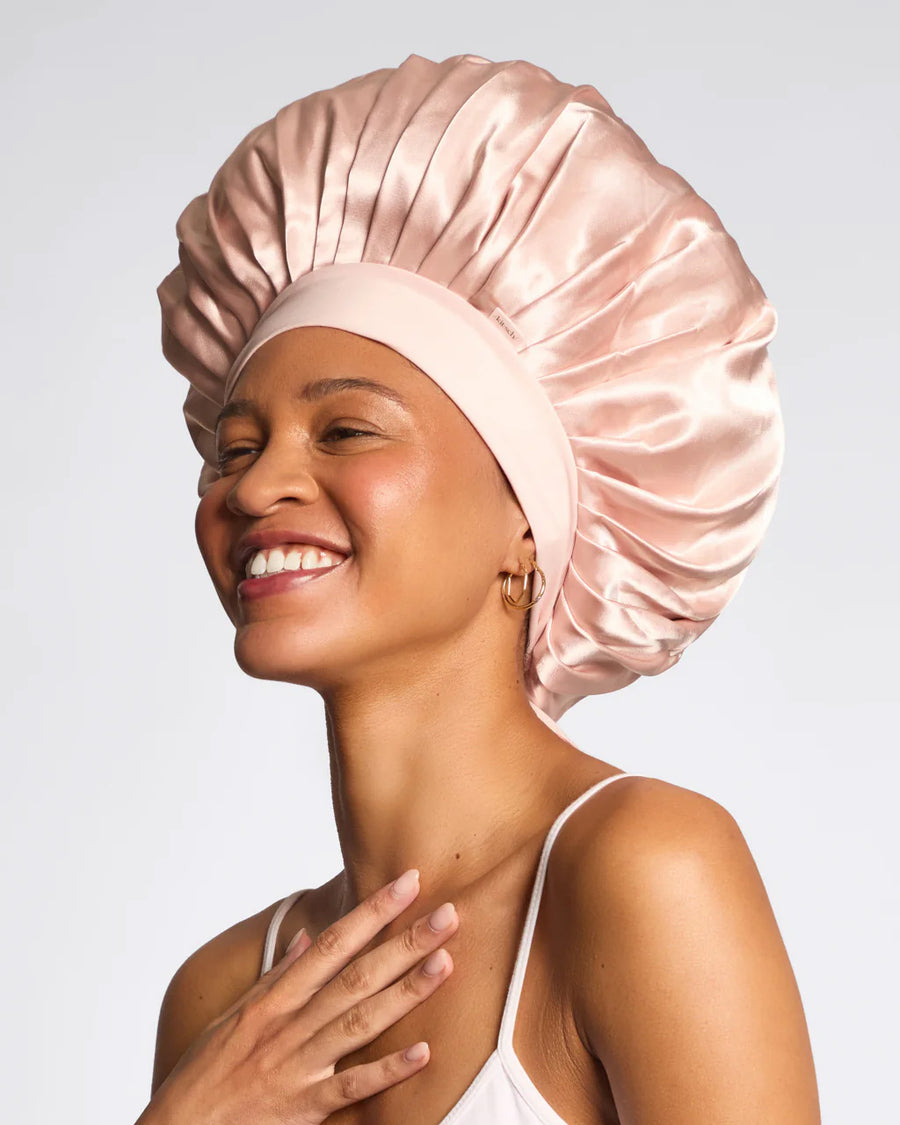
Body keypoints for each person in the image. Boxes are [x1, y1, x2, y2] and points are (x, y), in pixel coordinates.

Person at [141, 53, 821, 1123]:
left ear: (525, 525)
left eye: (346, 430)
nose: (255, 484)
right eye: (231, 448)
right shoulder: (224, 998)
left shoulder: (642, 872)